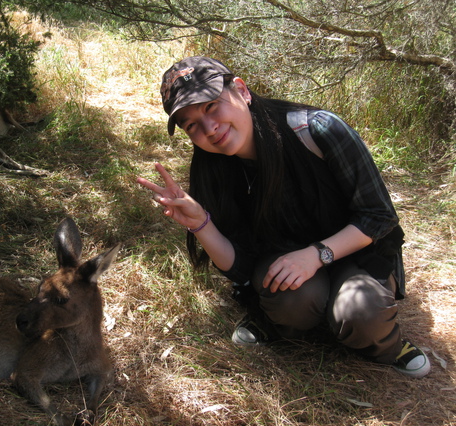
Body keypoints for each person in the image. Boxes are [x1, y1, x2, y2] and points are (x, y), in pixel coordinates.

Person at [136, 56, 430, 378]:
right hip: (283, 259)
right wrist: (201, 224)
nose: (209, 128)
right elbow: (240, 265)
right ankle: (276, 319)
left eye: (211, 106)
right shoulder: (212, 167)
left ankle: (388, 343)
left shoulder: (317, 130)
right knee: (291, 303)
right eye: (191, 124)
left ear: (242, 91)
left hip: (356, 252)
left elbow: (378, 215)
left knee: (363, 314)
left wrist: (316, 255)